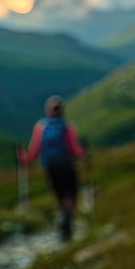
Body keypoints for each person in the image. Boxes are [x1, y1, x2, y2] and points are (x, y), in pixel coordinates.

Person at [18, 95, 87, 241]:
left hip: (50, 167)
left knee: (60, 194)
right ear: (62, 110)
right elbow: (75, 149)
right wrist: (84, 153)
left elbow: (34, 150)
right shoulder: (66, 126)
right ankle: (67, 219)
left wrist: (24, 158)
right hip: (66, 165)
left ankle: (63, 218)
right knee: (71, 193)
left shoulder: (41, 127)